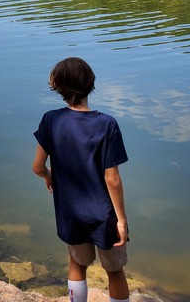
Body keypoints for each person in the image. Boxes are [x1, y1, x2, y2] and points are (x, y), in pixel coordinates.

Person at [33, 57, 130, 302]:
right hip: (103, 214)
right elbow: (113, 180)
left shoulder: (51, 120)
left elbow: (37, 167)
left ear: (59, 88)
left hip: (72, 213)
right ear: (91, 83)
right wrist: (121, 220)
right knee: (115, 271)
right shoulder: (107, 124)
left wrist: (49, 175)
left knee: (77, 265)